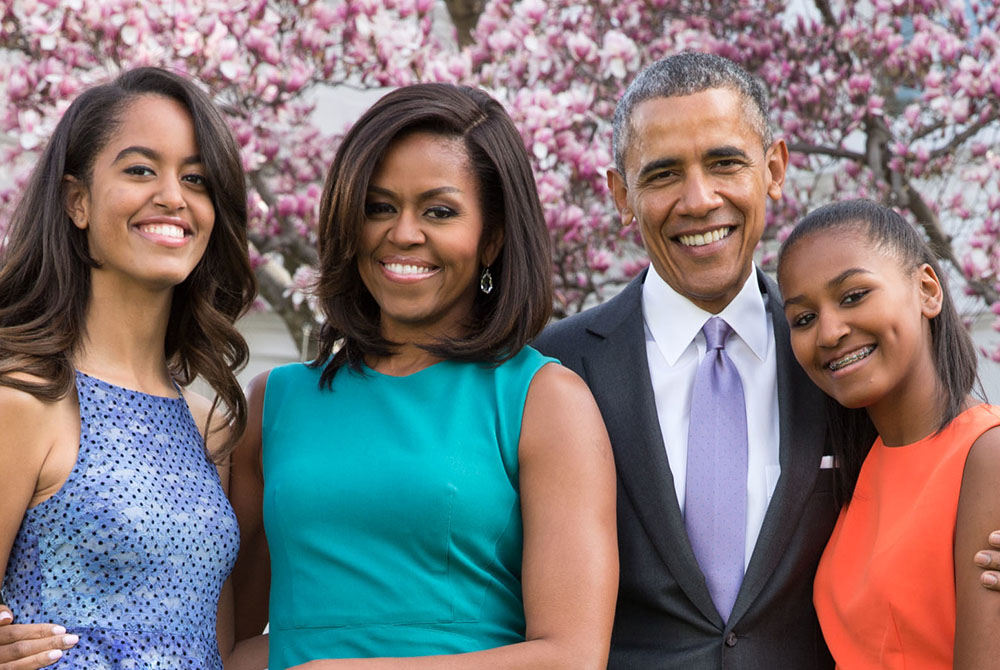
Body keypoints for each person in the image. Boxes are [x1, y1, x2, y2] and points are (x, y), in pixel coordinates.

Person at [227, 82, 618, 669]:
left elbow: (571, 657)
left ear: (492, 238)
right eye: (379, 207)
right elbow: (218, 639)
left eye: (439, 211)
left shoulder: (544, 400)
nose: (403, 233)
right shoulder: (274, 402)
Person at [533, 52, 838, 668]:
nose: (699, 201)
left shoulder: (840, 355)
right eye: (663, 174)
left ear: (774, 168)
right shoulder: (551, 370)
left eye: (725, 162)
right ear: (621, 195)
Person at [0, 67, 261, 669]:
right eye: (140, 169)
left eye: (196, 179)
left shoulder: (209, 428)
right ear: (78, 201)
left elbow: (214, 647)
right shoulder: (27, 399)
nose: (173, 196)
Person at [776, 198, 1000, 668]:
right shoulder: (859, 467)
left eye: (853, 295)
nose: (829, 332)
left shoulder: (987, 455)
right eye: (803, 318)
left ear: (926, 289)